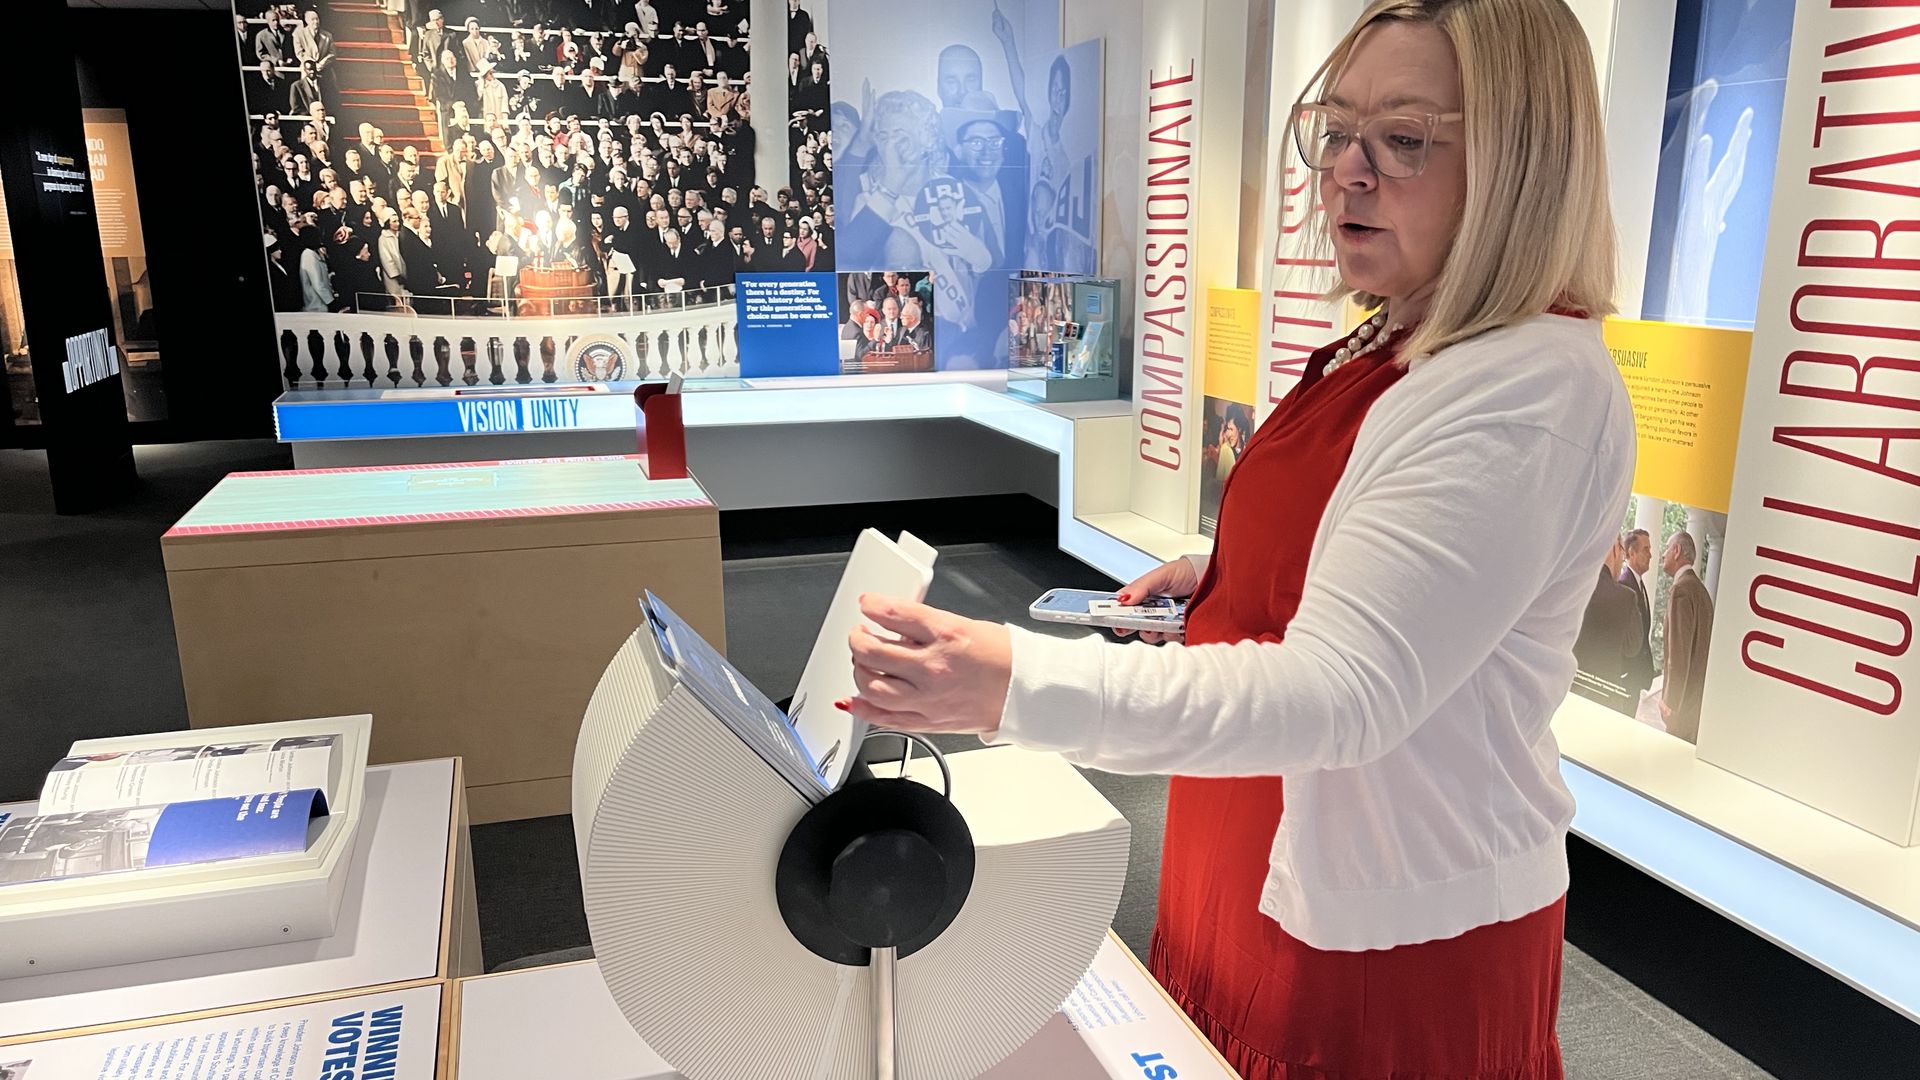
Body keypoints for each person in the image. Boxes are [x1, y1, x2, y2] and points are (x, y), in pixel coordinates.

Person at [838, 2, 1626, 1077]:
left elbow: (1343, 696)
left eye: (1402, 139)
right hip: (1257, 862)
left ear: (1522, 166)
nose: (1348, 171)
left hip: (1379, 944)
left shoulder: (1526, 384)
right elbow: (1392, 549)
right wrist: (1234, 575)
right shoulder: (1401, 333)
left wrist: (1016, 684)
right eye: (1337, 131)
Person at [1574, 536, 1645, 708]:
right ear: (1614, 548)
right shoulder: (1626, 597)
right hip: (1606, 700)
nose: (1623, 561)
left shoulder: (1572, 588)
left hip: (1568, 692)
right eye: (1623, 551)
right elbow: (1632, 647)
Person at [1660, 530, 1714, 743]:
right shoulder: (1702, 592)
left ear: (1677, 551)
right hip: (1695, 707)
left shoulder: (1681, 590)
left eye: (1666, 548)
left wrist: (1670, 704)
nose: (1663, 554)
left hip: (1680, 711)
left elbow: (1678, 654)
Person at [1617, 527, 1656, 697]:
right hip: (1626, 678)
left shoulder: (1638, 584)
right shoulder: (1625, 584)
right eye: (1646, 549)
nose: (1650, 555)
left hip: (1635, 677)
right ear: (1631, 553)